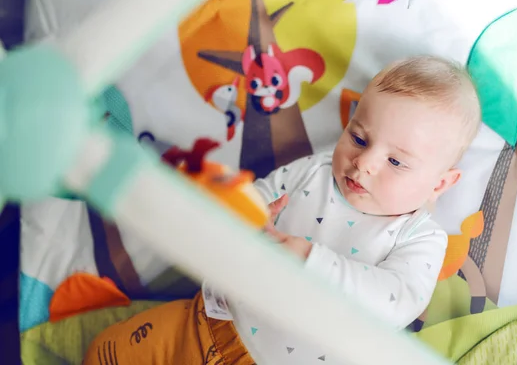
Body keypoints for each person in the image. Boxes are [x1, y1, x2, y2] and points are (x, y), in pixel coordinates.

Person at [82, 55, 481, 365]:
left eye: (396, 162)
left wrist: (310, 259)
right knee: (107, 351)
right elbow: (257, 198)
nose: (365, 163)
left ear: (440, 183)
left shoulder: (420, 237)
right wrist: (247, 215)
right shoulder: (317, 170)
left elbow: (398, 302)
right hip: (206, 320)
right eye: (358, 138)